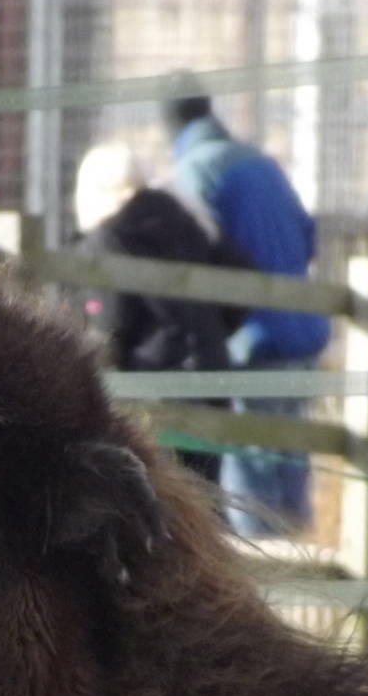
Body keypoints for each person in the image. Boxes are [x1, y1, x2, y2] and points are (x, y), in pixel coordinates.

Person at [164, 91, 330, 538]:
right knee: (289, 459)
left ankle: (267, 584)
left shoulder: (195, 171)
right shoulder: (261, 164)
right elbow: (308, 235)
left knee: (251, 469)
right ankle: (306, 580)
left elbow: (191, 251)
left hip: (252, 340)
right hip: (303, 331)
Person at [74, 144, 251, 484]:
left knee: (164, 503)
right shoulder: (189, 219)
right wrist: (208, 334)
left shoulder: (108, 238)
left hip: (154, 392)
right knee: (205, 501)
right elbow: (240, 286)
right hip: (211, 385)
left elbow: (111, 324)